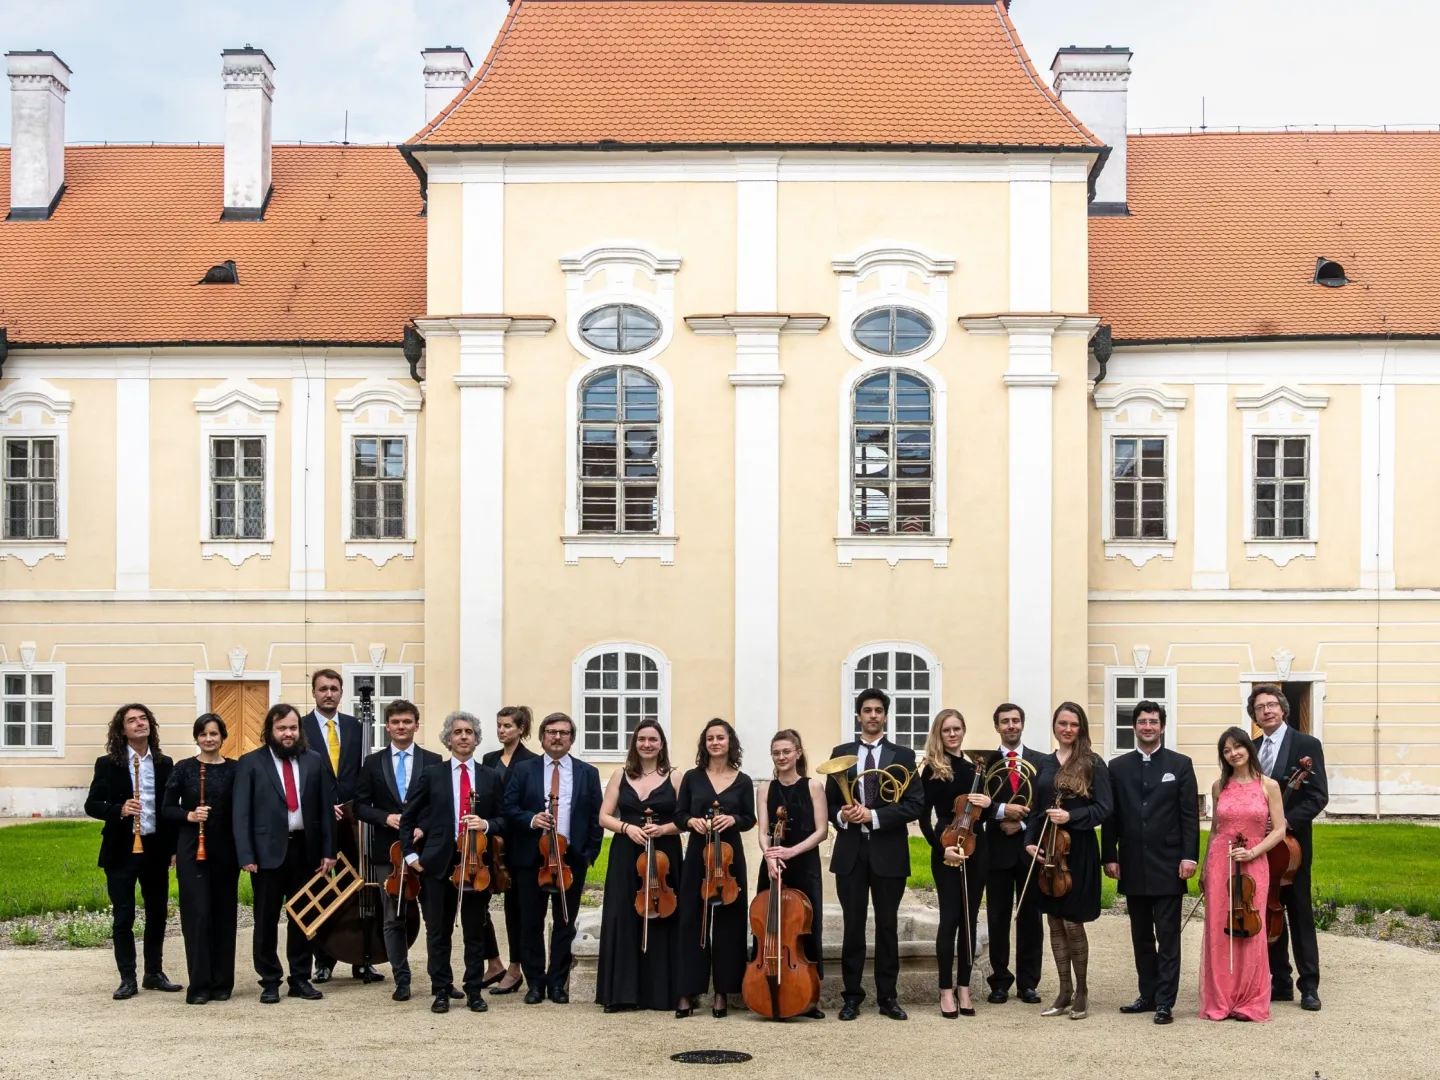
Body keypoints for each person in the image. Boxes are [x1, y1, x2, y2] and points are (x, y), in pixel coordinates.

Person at [824, 688, 924, 1022]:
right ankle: (852, 997)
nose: (872, 715)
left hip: (888, 852)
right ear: (858, 716)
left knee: (887, 926)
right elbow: (830, 805)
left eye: (878, 710)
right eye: (867, 710)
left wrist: (874, 817)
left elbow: (914, 804)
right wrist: (844, 817)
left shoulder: (904, 755)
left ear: (885, 715)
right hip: (851, 851)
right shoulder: (841, 754)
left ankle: (888, 997)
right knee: (853, 926)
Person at [399, 710, 506, 1015]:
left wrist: (485, 824)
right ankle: (441, 988)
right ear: (448, 739)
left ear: (476, 739)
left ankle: (474, 989)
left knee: (474, 929)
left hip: (476, 865)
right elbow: (408, 818)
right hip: (437, 864)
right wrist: (411, 856)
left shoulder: (490, 776)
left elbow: (504, 819)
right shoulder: (432, 773)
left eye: (469, 732)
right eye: (457, 732)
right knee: (438, 931)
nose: (463, 737)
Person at [1101, 700, 1199, 1025]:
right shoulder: (1117, 767)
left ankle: (1165, 1002)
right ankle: (1148, 994)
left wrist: (1190, 856)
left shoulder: (1181, 764)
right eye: (1142, 721)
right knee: (1140, 935)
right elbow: (1111, 817)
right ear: (1134, 727)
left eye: (1153, 722)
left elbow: (1188, 816)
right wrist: (1110, 856)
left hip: (1170, 864)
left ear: (1162, 726)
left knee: (1167, 935)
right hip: (1131, 863)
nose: (1147, 727)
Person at [233, 703, 336, 1004]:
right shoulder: (251, 763)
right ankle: (269, 980)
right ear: (270, 731)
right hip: (266, 854)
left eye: (293, 728)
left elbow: (325, 811)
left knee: (304, 917)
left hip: (306, 851)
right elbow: (241, 814)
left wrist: (328, 851)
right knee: (265, 919)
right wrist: (246, 854)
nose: (288, 733)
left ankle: (300, 978)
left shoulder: (314, 761)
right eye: (282, 728)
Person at [502, 712, 604, 1005]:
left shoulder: (587, 772)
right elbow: (508, 808)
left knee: (565, 921)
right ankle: (535, 984)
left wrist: (589, 854)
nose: (557, 737)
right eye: (551, 732)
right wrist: (532, 819)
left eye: (563, 732)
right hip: (532, 858)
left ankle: (557, 983)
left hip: (570, 858)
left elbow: (595, 817)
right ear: (542, 736)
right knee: (530, 922)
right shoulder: (524, 769)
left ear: (571, 738)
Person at [84, 703, 181, 1000]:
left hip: (155, 848)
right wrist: (119, 809)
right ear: (122, 729)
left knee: (156, 914)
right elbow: (92, 804)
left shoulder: (165, 763)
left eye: (143, 719)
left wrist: (174, 848)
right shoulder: (108, 763)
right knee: (123, 916)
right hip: (121, 850)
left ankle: (153, 972)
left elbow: (169, 809)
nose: (140, 724)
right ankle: (127, 978)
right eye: (132, 720)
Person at [1025, 702, 1113, 1020]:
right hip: (1049, 849)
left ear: (1081, 728)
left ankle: (1083, 989)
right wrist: (1029, 842)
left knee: (1073, 921)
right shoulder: (1046, 763)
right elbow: (1037, 809)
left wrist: (1071, 816)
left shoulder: (1092, 762)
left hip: (1079, 849)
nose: (1067, 729)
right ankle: (1063, 991)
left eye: (1074, 724)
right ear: (1055, 726)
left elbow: (1105, 808)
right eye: (1062, 723)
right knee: (1053, 919)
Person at [354, 699, 442, 1002]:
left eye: (407, 721)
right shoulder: (372, 763)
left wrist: (424, 827)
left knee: (435, 919)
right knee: (393, 918)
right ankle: (401, 979)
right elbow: (360, 805)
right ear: (387, 726)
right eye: (395, 722)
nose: (401, 727)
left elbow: (441, 804)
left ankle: (438, 981)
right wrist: (385, 817)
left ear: (416, 724)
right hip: (387, 852)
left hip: (426, 850)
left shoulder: (434, 760)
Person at [1199, 726, 1288, 1022]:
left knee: (1251, 930)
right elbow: (1214, 831)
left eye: (1237, 746)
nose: (1233, 753)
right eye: (1226, 750)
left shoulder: (1268, 785)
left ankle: (1249, 999)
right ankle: (1221, 999)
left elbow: (1280, 829)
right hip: (1219, 862)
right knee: (1218, 930)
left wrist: (1253, 852)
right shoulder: (1218, 786)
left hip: (1253, 861)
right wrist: (1203, 868)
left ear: (1248, 748)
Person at [595, 719, 684, 1013]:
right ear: (635, 743)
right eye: (642, 739)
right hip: (625, 852)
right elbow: (604, 816)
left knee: (664, 916)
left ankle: (660, 994)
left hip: (664, 852)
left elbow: (686, 819)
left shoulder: (675, 776)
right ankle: (621, 994)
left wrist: (664, 829)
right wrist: (625, 828)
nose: (647, 744)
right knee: (624, 915)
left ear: (662, 745)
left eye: (653, 740)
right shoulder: (620, 774)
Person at [1250, 684, 1329, 1011]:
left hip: (1292, 844)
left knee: (1298, 912)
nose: (1266, 711)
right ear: (1254, 715)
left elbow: (1317, 795)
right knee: (1269, 908)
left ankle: (1308, 985)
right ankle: (1279, 981)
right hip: (1258, 844)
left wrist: (1283, 824)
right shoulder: (1250, 748)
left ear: (1283, 709)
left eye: (1271, 705)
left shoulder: (1306, 744)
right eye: (1259, 707)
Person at [675, 718, 755, 1018]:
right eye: (710, 738)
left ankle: (722, 991)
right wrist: (690, 821)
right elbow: (680, 813)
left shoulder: (743, 780)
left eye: (720, 737)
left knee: (729, 924)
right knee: (692, 921)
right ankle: (688, 991)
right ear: (704, 743)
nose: (715, 743)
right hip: (698, 853)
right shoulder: (693, 778)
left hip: (730, 857)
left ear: (730, 742)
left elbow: (749, 818)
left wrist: (733, 819)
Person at [919, 709, 992, 1018]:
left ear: (964, 730)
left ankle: (965, 986)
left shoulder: (975, 769)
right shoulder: (932, 770)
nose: (952, 734)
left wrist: (988, 804)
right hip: (946, 846)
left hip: (976, 847)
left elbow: (981, 817)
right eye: (947, 729)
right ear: (939, 732)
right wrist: (941, 849)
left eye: (957, 728)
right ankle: (946, 989)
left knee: (970, 918)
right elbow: (923, 818)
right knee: (950, 918)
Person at [162, 713, 239, 1004]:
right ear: (196, 737)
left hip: (225, 850)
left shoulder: (235, 769)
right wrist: (190, 815)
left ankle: (222, 983)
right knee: (197, 916)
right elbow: (166, 809)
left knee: (223, 915)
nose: (209, 739)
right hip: (192, 848)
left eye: (214, 734)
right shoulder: (184, 769)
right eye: (204, 734)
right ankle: (200, 984)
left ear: (223, 737)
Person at [756, 728, 828, 1019]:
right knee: (769, 928)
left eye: (787, 751)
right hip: (774, 865)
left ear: (798, 752)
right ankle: (765, 985)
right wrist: (770, 854)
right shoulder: (764, 789)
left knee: (806, 929)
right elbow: (762, 831)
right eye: (776, 752)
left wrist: (790, 851)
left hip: (803, 863)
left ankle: (808, 995)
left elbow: (822, 831)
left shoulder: (813, 787)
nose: (782, 757)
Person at [300, 668, 364, 982]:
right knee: (322, 888)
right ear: (314, 692)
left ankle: (361, 956)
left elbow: (362, 772)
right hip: (317, 820)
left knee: (357, 888)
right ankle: (323, 959)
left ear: (341, 693)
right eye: (323, 688)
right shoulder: (299, 727)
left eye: (334, 689)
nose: (329, 693)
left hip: (352, 822)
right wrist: (325, 805)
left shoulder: (355, 727)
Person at [983, 702, 1048, 1006]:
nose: (1011, 726)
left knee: (1030, 918)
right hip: (995, 850)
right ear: (997, 726)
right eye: (1005, 721)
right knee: (997, 918)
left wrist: (1020, 822)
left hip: (1029, 849)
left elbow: (1044, 803)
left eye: (1015, 721)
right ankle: (999, 981)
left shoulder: (1040, 761)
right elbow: (975, 805)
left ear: (1023, 724)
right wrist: (1000, 815)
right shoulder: (983, 762)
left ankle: (1028, 982)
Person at [480, 705, 539, 995]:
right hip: (490, 840)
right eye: (499, 725)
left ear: (521, 730)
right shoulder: (489, 759)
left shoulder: (531, 761)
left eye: (508, 726)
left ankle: (517, 968)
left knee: (517, 910)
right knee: (480, 905)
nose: (502, 730)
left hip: (518, 842)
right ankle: (494, 962)